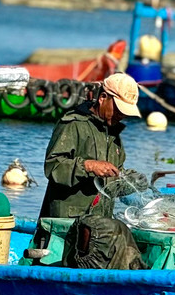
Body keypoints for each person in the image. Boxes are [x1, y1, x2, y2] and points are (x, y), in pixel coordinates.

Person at [38, 73, 141, 221]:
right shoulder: (73, 124)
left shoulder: (113, 132)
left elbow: (112, 183)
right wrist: (88, 166)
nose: (121, 115)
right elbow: (53, 167)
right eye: (118, 109)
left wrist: (131, 182)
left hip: (100, 221)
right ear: (103, 97)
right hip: (67, 221)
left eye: (125, 111)